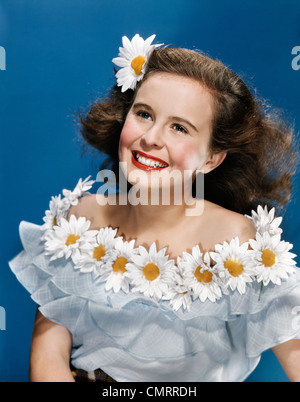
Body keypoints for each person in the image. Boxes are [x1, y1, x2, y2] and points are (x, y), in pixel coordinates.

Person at [9, 34, 300, 382]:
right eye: (144, 114)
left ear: (212, 158)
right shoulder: (81, 219)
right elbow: (48, 350)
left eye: (179, 127)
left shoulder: (240, 242)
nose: (151, 138)